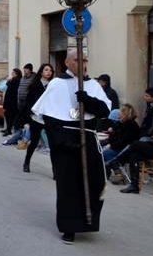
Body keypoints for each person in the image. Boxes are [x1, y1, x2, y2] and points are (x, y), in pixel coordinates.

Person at [31, 48, 111, 245]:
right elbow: (48, 119)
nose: (82, 63)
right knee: (69, 186)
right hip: (65, 141)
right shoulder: (57, 84)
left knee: (96, 182)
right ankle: (69, 227)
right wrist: (62, 141)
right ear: (67, 62)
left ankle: (88, 222)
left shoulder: (93, 85)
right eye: (77, 59)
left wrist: (88, 100)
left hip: (90, 139)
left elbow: (104, 111)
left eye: (85, 60)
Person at [22, 63, 54, 172]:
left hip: (49, 118)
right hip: (36, 118)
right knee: (34, 142)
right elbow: (28, 101)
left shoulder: (53, 85)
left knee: (53, 144)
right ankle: (27, 162)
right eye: (46, 70)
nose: (48, 72)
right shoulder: (35, 84)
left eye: (50, 70)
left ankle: (55, 170)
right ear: (41, 72)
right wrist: (28, 118)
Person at [101, 104, 140, 182]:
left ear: (125, 114)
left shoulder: (130, 125)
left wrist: (111, 144)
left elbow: (123, 141)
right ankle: (108, 173)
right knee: (102, 150)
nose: (119, 114)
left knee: (105, 153)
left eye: (121, 113)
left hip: (126, 150)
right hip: (121, 147)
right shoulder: (121, 124)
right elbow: (115, 138)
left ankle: (118, 173)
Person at [2, 68, 22, 136]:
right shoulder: (14, 79)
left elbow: (11, 87)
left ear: (16, 73)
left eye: (13, 72)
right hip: (10, 100)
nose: (12, 73)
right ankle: (8, 128)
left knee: (9, 116)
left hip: (12, 101)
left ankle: (9, 130)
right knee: (8, 115)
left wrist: (8, 81)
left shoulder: (16, 80)